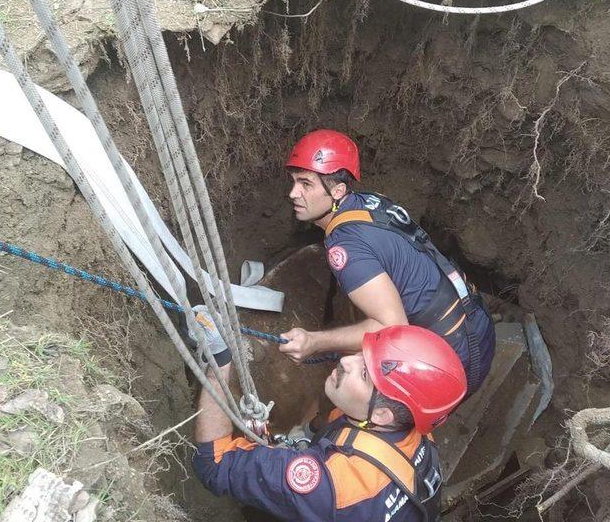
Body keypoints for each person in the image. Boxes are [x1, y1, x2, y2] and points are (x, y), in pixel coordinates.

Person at [279, 129, 495, 395]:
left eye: (305, 184)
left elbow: (392, 327)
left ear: (337, 191)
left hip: (451, 357)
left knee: (373, 419)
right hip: (476, 321)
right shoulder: (371, 202)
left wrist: (314, 341)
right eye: (293, 181)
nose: (293, 193)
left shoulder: (345, 245)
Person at [192, 325, 467, 522]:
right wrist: (310, 432)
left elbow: (213, 464)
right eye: (361, 354)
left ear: (383, 415)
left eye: (364, 374)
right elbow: (340, 424)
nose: (345, 360)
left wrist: (219, 359)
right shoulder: (415, 433)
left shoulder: (336, 487)